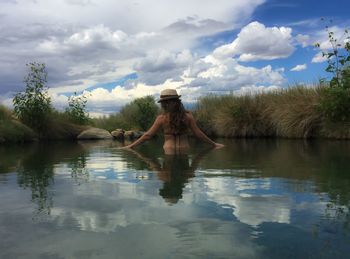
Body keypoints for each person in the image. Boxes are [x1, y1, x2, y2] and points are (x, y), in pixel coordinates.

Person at [122, 89, 224, 153]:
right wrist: (214, 144)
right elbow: (198, 134)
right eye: (164, 102)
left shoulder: (162, 118)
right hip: (184, 151)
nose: (165, 104)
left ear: (175, 102)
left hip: (169, 151)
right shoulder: (188, 116)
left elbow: (148, 136)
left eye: (167, 102)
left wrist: (130, 146)